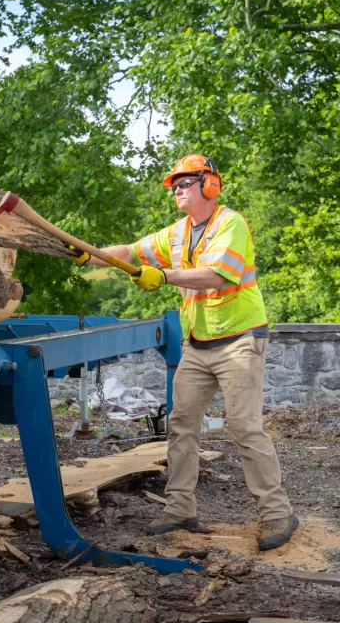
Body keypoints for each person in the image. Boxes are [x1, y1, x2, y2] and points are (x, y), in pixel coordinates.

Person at [71, 154, 298, 551]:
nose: (176, 189)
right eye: (174, 185)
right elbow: (128, 251)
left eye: (184, 182)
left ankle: (277, 513)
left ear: (209, 185)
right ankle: (180, 509)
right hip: (197, 343)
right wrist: (86, 252)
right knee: (181, 425)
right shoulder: (177, 233)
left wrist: (164, 276)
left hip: (240, 340)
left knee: (244, 426)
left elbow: (215, 275)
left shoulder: (231, 223)